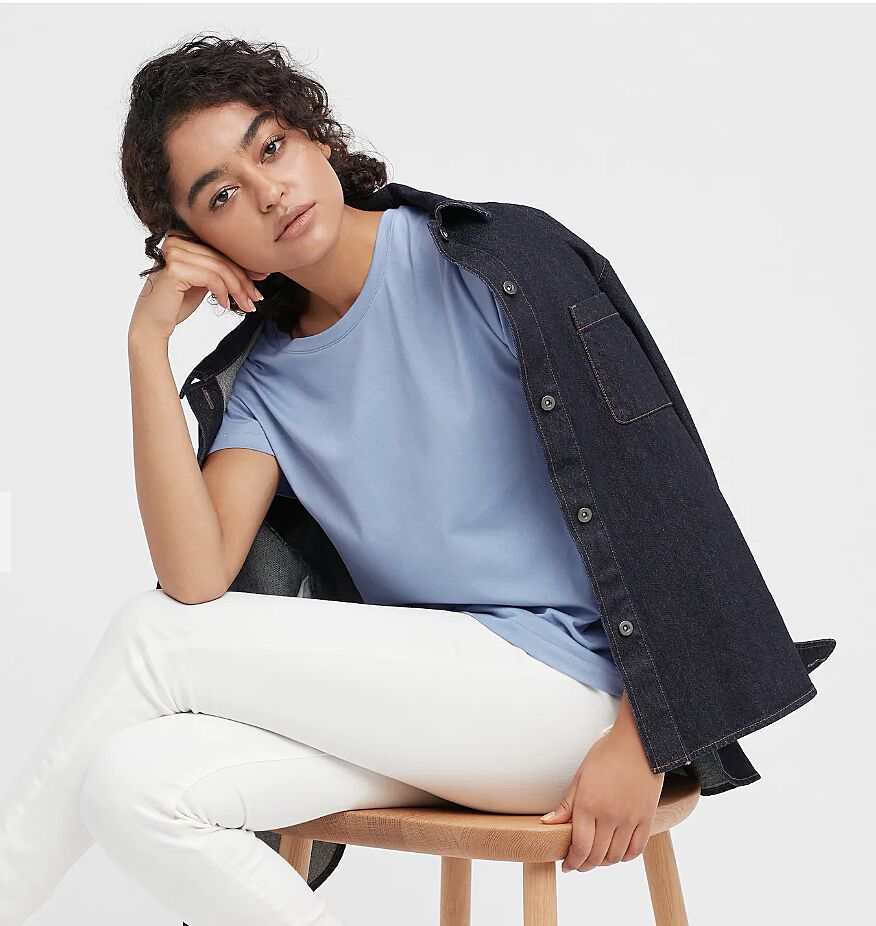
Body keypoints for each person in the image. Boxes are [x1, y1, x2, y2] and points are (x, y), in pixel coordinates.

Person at [0, 34, 669, 926]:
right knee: (130, 786)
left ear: (317, 137)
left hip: (577, 700)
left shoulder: (490, 264)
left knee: (148, 641)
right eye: (222, 196)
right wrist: (146, 343)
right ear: (198, 243)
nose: (269, 191)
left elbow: (668, 499)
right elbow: (195, 581)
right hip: (433, 715)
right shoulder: (268, 380)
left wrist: (647, 734)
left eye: (272, 146)